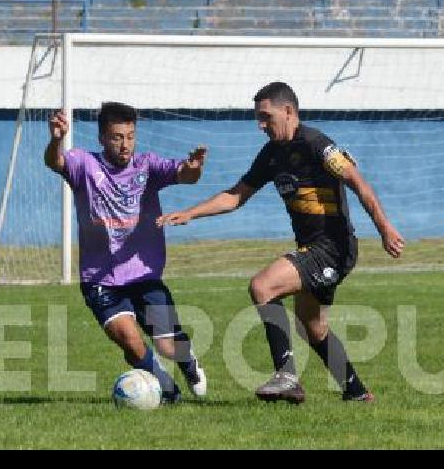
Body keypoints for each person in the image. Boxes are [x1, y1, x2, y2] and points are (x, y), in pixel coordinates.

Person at [158, 81, 405, 404]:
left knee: (262, 286)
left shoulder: (317, 144)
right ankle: (357, 392)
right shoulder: (272, 154)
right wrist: (192, 213)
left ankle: (286, 376)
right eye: (258, 119)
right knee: (313, 328)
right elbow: (236, 195)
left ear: (288, 111)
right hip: (312, 248)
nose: (261, 125)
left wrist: (384, 228)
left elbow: (357, 182)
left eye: (266, 117)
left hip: (332, 247)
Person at [44, 102, 208, 404]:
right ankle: (166, 391)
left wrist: (194, 167)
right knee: (132, 343)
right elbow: (55, 162)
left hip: (143, 274)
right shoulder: (84, 165)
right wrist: (56, 139)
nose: (125, 145)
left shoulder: (147, 166)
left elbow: (185, 175)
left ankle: (187, 361)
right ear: (102, 138)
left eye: (130, 136)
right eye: (118, 137)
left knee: (168, 346)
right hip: (100, 280)